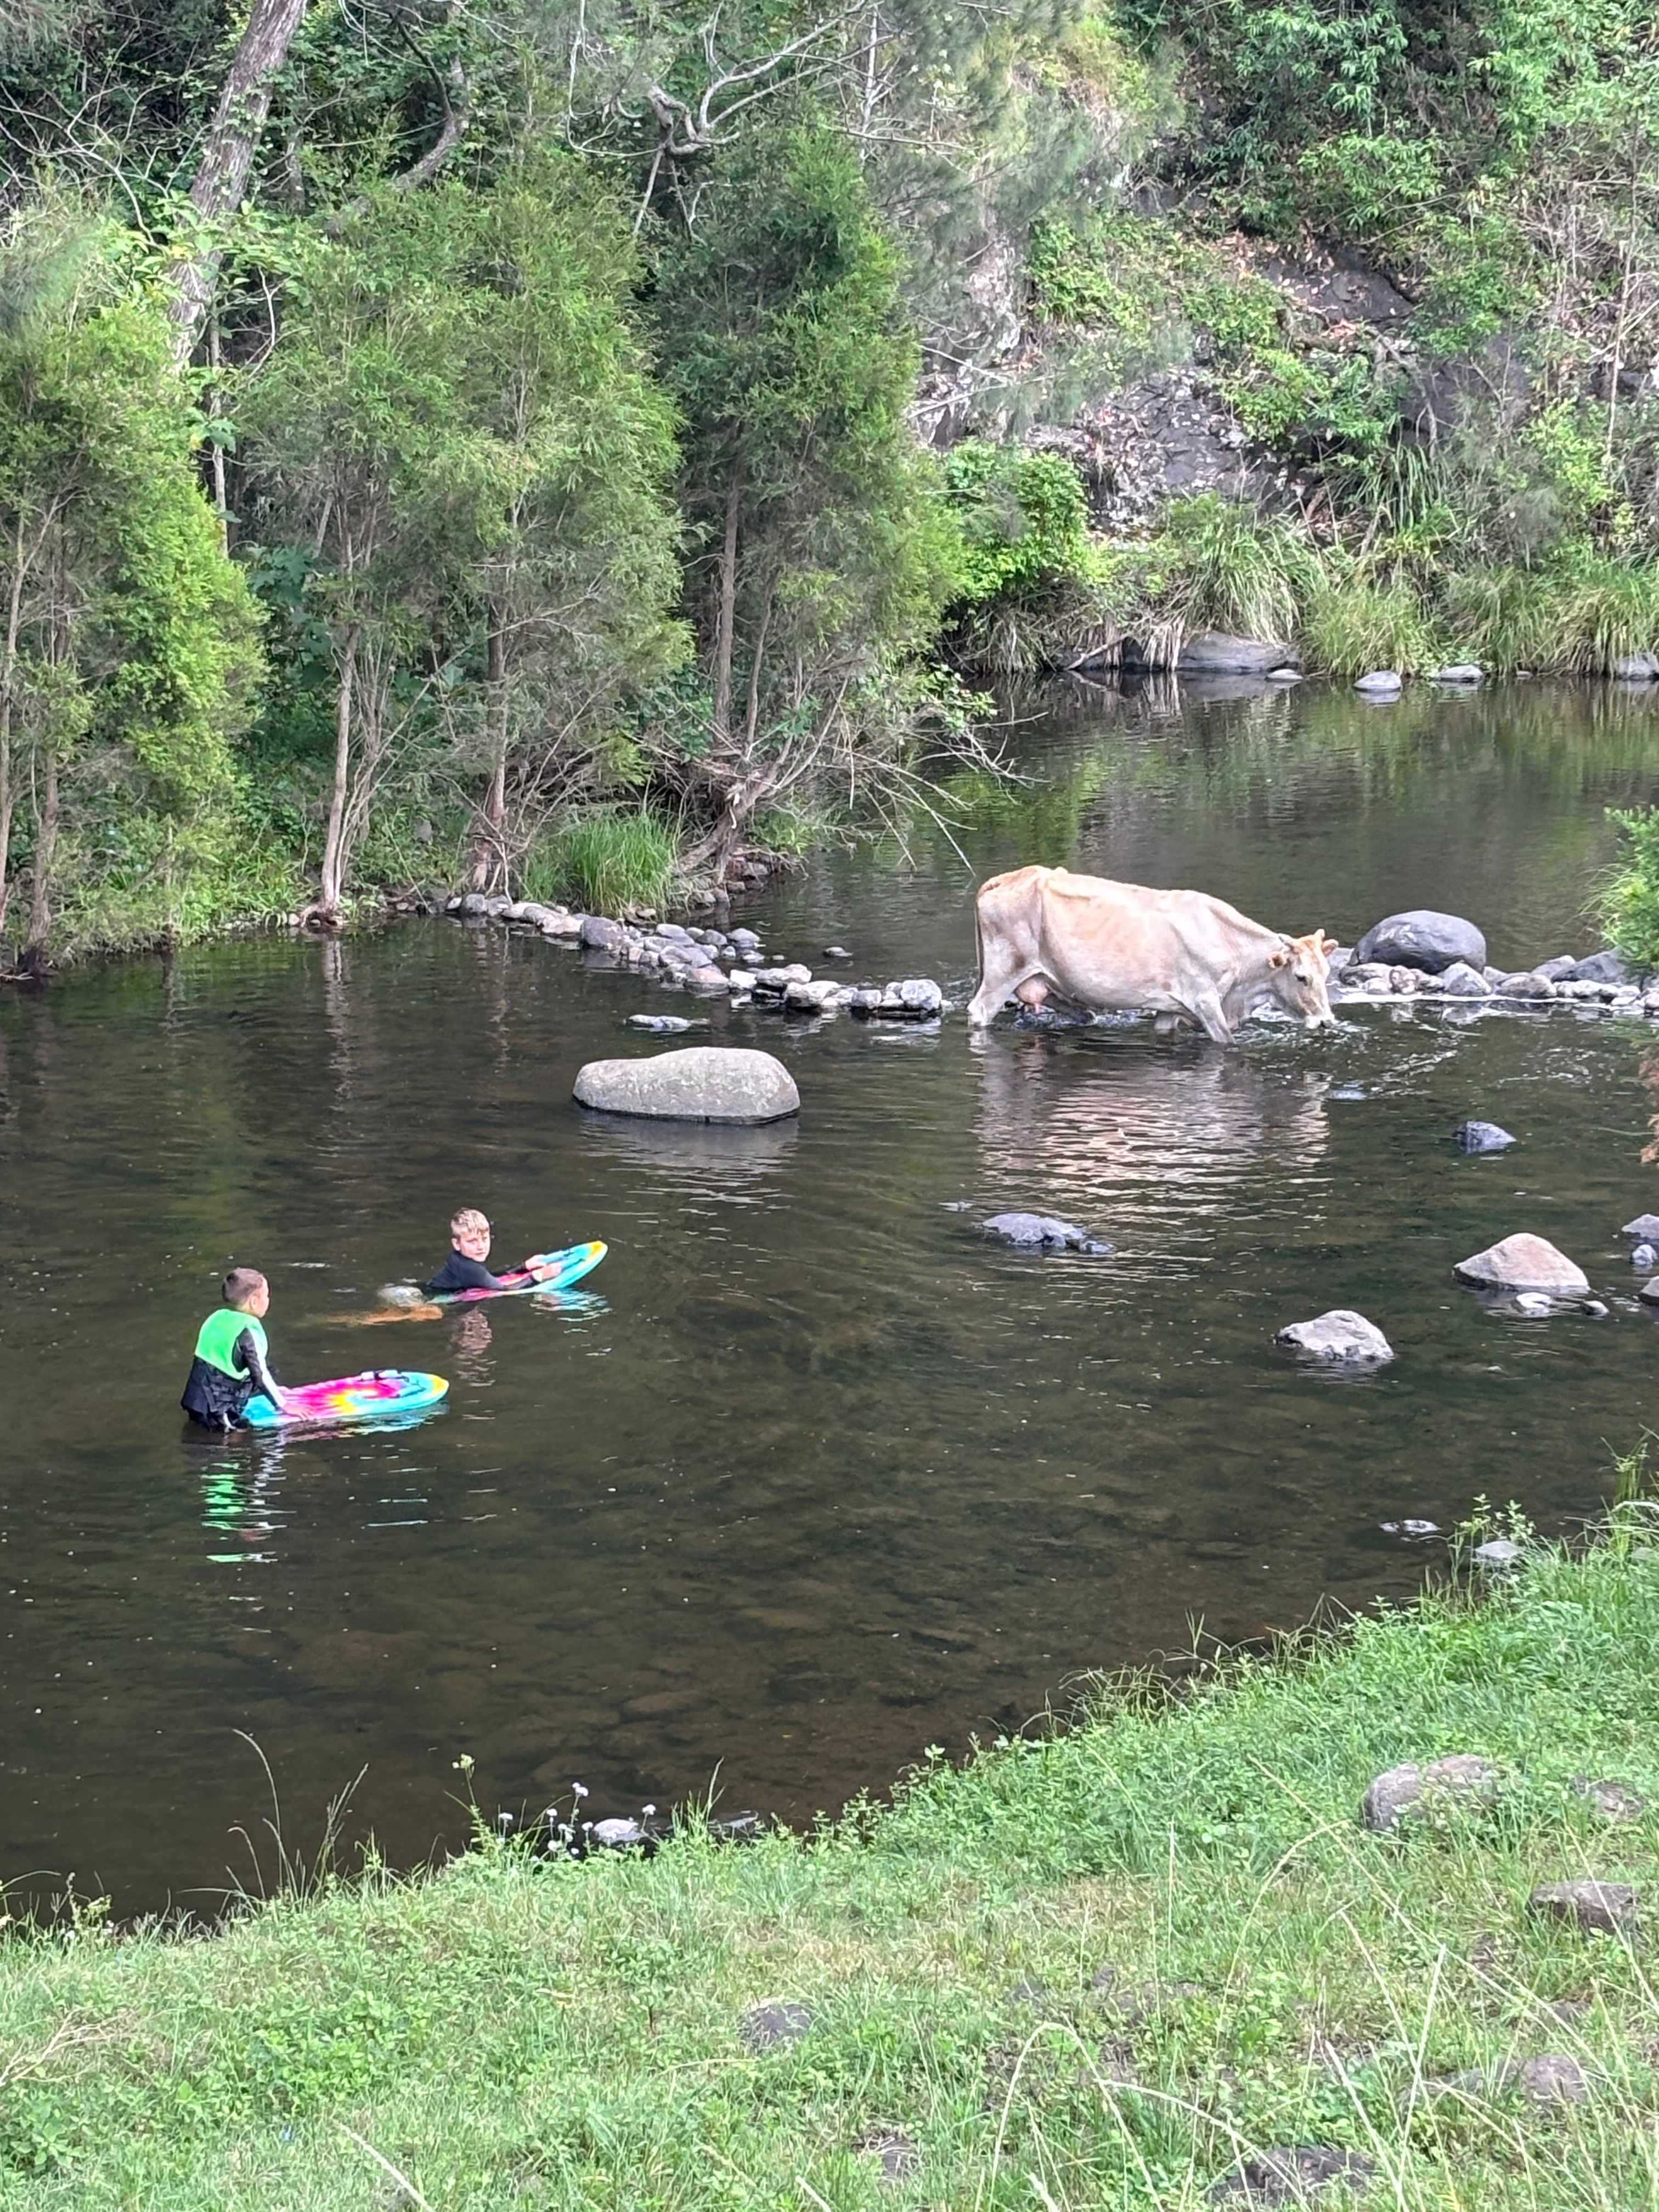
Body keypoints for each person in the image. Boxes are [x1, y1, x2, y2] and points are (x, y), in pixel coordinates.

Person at [181, 1267, 290, 1429]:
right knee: (231, 1441)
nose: (268, 1300)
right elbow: (259, 1375)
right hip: (219, 1406)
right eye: (266, 1296)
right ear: (254, 1302)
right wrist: (284, 1406)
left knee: (199, 1431)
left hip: (195, 1397)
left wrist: (276, 1390)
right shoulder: (248, 1331)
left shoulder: (217, 1318)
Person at [423, 1207, 555, 1297]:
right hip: (430, 1299)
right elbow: (505, 1291)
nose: (481, 1247)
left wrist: (524, 1267)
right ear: (457, 1244)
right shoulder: (468, 1268)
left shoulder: (464, 1260)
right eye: (472, 1242)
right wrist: (539, 1276)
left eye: (485, 1239)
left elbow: (489, 1276)